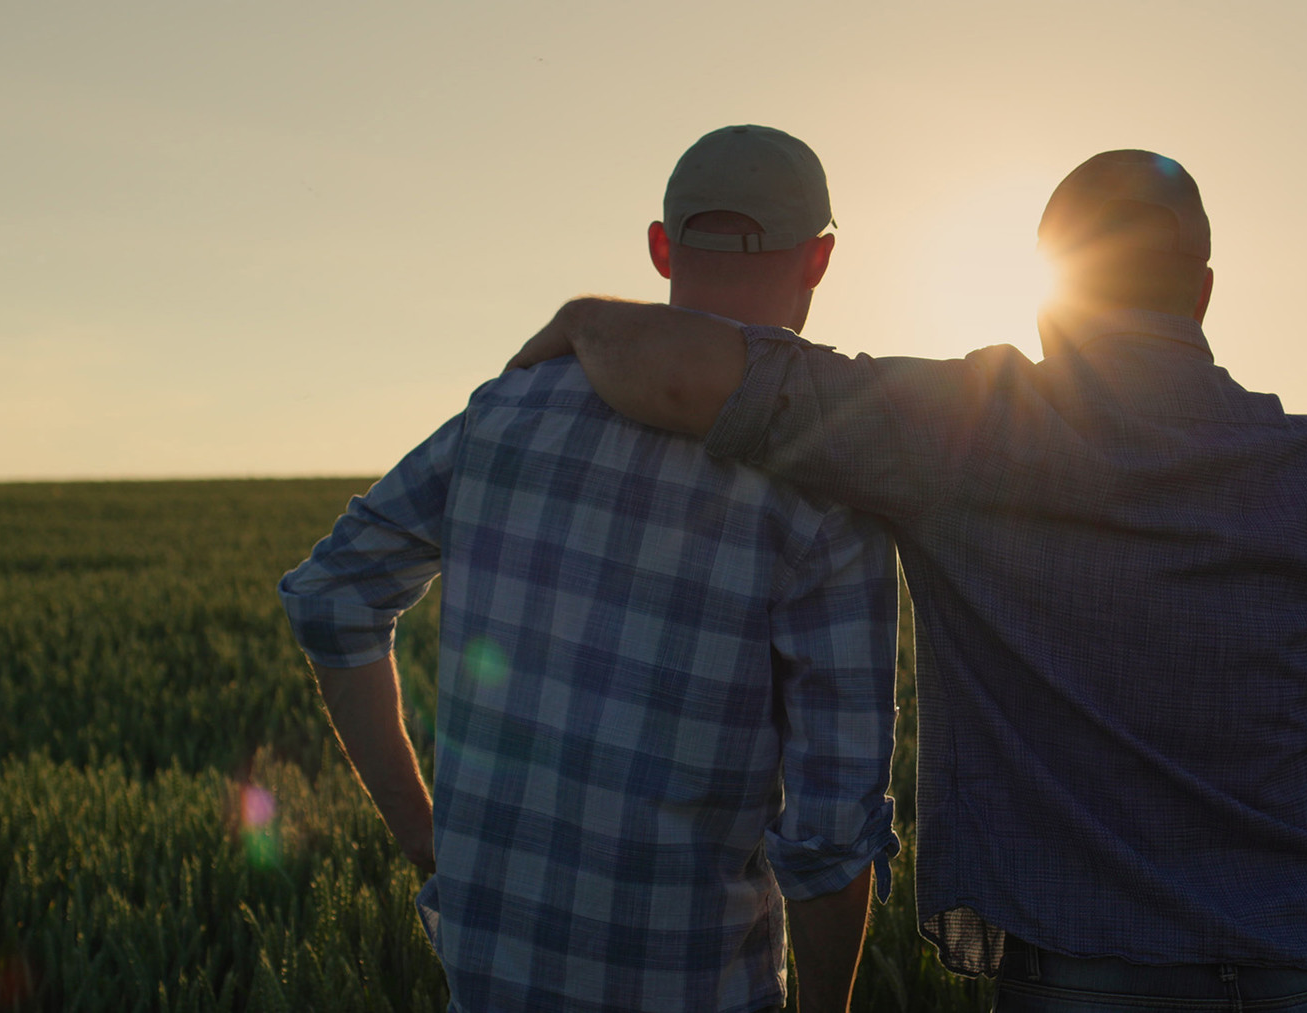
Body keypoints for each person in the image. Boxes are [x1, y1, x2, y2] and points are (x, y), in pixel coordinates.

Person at [507, 149, 1307, 1012]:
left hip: (1083, 979)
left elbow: (693, 378)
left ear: (1047, 289)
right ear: (1204, 291)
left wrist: (588, 318)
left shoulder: (966, 430)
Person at [278, 124, 900, 1013]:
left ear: (659, 247)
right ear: (820, 260)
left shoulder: (509, 405)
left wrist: (427, 835)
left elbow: (333, 593)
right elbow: (831, 839)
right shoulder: (825, 482)